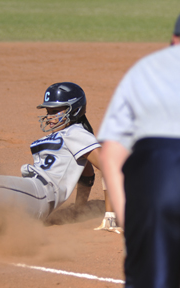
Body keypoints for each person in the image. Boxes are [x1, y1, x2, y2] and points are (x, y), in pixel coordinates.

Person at [98, 17, 180, 287]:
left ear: (174, 38)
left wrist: (129, 221)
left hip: (159, 179)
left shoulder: (145, 69)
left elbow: (111, 153)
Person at [0, 82, 119, 231]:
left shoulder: (76, 132)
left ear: (74, 110)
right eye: (48, 111)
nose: (50, 117)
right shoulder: (66, 136)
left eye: (55, 111)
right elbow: (86, 174)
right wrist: (79, 209)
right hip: (30, 193)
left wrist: (110, 215)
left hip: (40, 194)